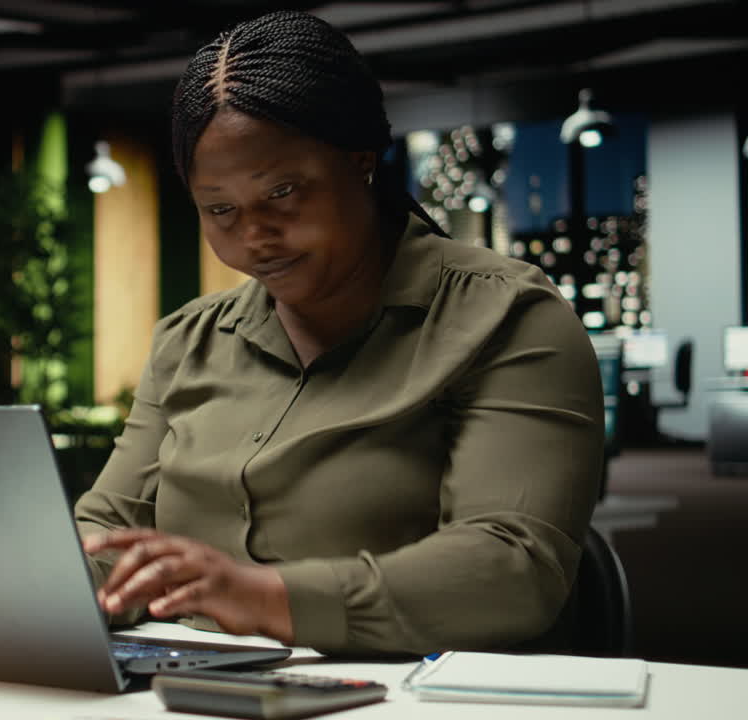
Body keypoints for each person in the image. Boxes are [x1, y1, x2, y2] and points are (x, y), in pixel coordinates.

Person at [74, 10, 603, 656]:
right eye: (221, 209)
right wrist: (27, 581)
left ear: (361, 163)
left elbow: (514, 569)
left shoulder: (505, 317)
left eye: (284, 192)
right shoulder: (188, 343)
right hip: (192, 686)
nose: (254, 235)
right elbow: (106, 532)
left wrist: (264, 598)